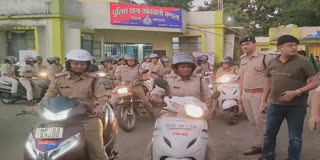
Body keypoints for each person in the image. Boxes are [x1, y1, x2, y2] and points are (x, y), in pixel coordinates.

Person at [41, 49, 109, 160]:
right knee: (45, 145)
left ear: (87, 65)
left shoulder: (93, 79)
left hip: (87, 117)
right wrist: (39, 106)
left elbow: (101, 96)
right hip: (61, 116)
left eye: (83, 64)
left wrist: (100, 106)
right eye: (75, 63)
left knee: (97, 152)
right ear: (69, 64)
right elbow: (49, 95)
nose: (79, 66)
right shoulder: (59, 78)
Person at [260, 35, 320, 160]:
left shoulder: (304, 62)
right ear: (280, 48)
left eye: (295, 45)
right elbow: (267, 80)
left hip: (297, 106)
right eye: (290, 45)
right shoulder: (273, 62)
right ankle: (268, 156)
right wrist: (264, 100)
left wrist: (296, 92)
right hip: (275, 105)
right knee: (269, 134)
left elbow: (315, 82)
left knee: (295, 138)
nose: (294, 48)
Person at [148, 52, 214, 160]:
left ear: (193, 68)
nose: (186, 69)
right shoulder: (168, 79)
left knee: (208, 143)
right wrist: (155, 95)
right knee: (155, 141)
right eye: (182, 67)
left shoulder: (199, 79)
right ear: (176, 68)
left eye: (188, 67)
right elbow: (158, 89)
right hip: (171, 112)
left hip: (196, 113)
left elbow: (207, 95)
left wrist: (208, 104)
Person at [238, 36, 274, 155]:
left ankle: (268, 149)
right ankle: (258, 145)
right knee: (253, 122)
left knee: (261, 122)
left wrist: (268, 97)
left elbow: (274, 77)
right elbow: (242, 77)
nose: (245, 47)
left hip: (260, 94)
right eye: (243, 45)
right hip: (246, 94)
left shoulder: (265, 58)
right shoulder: (243, 59)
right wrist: (240, 94)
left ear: (254, 44)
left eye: (247, 44)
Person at [111, 53, 155, 119]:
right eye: (129, 60)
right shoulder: (120, 68)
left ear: (135, 61)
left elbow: (143, 73)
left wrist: (147, 77)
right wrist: (116, 81)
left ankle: (152, 114)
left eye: (132, 60)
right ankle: (114, 113)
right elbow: (116, 78)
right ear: (126, 61)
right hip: (123, 86)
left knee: (144, 101)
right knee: (113, 99)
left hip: (136, 86)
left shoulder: (139, 67)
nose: (131, 62)